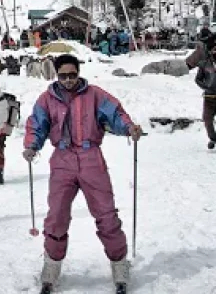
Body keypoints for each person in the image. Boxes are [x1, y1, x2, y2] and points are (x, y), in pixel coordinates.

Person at [24, 53, 142, 293]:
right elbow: (37, 124)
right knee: (56, 216)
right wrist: (31, 145)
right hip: (63, 159)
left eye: (72, 75)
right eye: (63, 75)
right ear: (57, 76)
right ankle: (51, 267)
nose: (68, 80)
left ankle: (119, 264)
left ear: (79, 73)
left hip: (91, 158)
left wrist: (129, 127)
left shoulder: (95, 95)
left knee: (106, 214)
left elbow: (116, 114)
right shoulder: (47, 99)